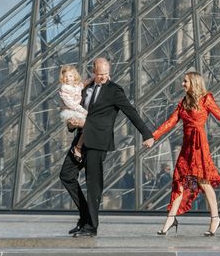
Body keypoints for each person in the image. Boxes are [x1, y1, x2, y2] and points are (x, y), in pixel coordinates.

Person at [146, 71, 220, 236]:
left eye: (185, 81)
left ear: (194, 83)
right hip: (187, 147)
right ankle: (171, 218)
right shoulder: (184, 102)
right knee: (180, 181)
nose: (182, 84)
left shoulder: (205, 99)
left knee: (203, 182)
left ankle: (215, 218)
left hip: (199, 146)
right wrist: (153, 137)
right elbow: (171, 122)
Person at [59, 57, 153, 237]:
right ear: (93, 72)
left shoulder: (115, 90)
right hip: (81, 138)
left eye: (105, 74)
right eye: (99, 74)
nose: (102, 77)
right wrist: (71, 124)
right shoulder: (85, 88)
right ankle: (86, 216)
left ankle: (91, 226)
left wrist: (146, 134)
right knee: (66, 175)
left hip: (98, 141)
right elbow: (74, 108)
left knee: (94, 184)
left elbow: (130, 111)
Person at [58, 65, 88, 163]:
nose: (68, 78)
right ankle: (78, 147)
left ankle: (78, 147)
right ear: (62, 78)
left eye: (70, 76)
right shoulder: (64, 88)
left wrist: (94, 78)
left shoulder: (76, 86)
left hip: (76, 110)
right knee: (87, 125)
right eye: (66, 76)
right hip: (70, 111)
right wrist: (84, 111)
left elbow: (83, 84)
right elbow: (71, 104)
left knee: (88, 126)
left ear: (74, 76)